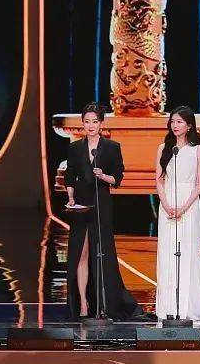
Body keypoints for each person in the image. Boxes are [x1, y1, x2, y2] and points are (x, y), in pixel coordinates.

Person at [65, 102, 139, 321]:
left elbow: (118, 177)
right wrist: (70, 198)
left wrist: (104, 176)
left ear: (101, 123)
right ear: (82, 123)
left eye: (94, 121)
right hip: (81, 204)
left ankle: (104, 302)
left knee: (102, 253)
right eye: (87, 121)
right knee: (81, 253)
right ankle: (83, 302)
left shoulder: (112, 147)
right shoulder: (75, 148)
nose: (90, 126)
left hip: (101, 203)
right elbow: (70, 176)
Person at [154, 105, 200, 322]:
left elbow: (199, 184)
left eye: (179, 122)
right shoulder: (164, 148)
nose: (175, 125)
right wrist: (166, 204)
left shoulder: (199, 150)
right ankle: (166, 307)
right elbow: (159, 180)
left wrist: (183, 208)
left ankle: (186, 308)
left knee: (187, 252)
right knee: (167, 254)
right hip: (167, 203)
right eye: (173, 121)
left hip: (189, 205)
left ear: (189, 126)